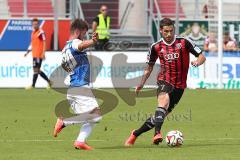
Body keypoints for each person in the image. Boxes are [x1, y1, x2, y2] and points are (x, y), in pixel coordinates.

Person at [125, 18, 206, 146]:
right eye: (166, 31)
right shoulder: (156, 47)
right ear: (161, 31)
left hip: (180, 85)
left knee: (159, 116)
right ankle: (157, 133)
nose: (169, 34)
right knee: (163, 102)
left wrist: (197, 62)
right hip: (164, 80)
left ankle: (135, 134)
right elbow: (149, 67)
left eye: (171, 31)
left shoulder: (184, 42)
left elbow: (201, 56)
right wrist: (141, 83)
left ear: (174, 29)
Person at [53, 19, 102, 150]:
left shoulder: (64, 49)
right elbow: (80, 46)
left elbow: (66, 68)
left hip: (73, 88)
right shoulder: (75, 42)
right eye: (83, 34)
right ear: (77, 31)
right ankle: (64, 122)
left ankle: (80, 141)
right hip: (80, 87)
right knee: (96, 114)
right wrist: (92, 41)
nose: (84, 37)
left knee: (92, 118)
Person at [24, 18, 52, 89]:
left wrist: (43, 53)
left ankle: (33, 85)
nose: (35, 25)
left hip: (39, 55)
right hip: (34, 54)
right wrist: (27, 52)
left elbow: (44, 42)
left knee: (37, 70)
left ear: (38, 24)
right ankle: (48, 82)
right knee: (36, 70)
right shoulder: (33, 33)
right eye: (33, 24)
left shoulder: (40, 32)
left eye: (36, 24)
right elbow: (32, 44)